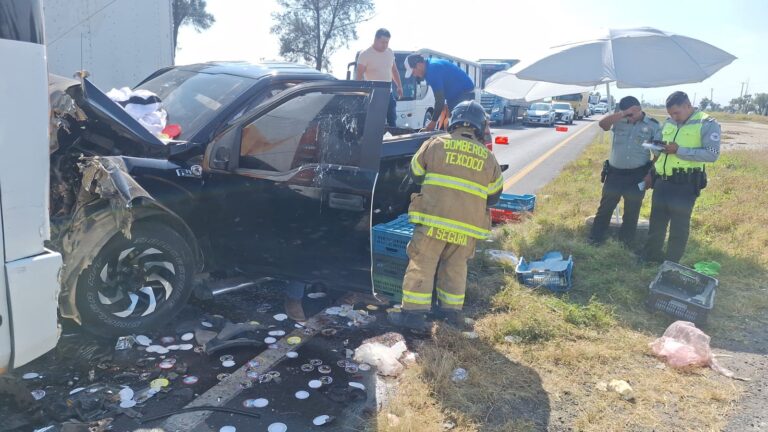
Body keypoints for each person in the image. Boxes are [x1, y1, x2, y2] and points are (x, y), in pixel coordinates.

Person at [389, 101, 503, 331]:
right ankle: (450, 316)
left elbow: (416, 173)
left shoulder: (435, 144)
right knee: (455, 268)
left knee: (422, 264)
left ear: (454, 121)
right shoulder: (489, 158)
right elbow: (494, 196)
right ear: (480, 127)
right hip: (466, 228)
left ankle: (413, 317)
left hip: (433, 220)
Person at [643, 91, 721, 263]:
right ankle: (651, 257)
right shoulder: (669, 122)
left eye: (676, 113)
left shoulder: (707, 123)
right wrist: (655, 149)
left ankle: (671, 263)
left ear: (688, 105)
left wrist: (679, 150)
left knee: (678, 227)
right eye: (670, 114)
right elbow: (662, 149)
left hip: (685, 185)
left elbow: (712, 154)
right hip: (662, 181)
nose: (674, 117)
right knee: (656, 223)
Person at [588, 96, 660, 246]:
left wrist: (650, 174)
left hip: (638, 175)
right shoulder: (618, 120)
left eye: (632, 114)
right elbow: (603, 125)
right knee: (605, 208)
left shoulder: (653, 125)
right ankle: (595, 240)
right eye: (627, 115)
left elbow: (658, 154)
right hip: (615, 174)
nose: (629, 118)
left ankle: (625, 244)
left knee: (632, 211)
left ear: (639, 109)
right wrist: (623, 114)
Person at [403, 54, 475, 131]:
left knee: (458, 127)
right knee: (450, 125)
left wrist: (433, 123)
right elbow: (441, 98)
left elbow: (440, 100)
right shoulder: (430, 66)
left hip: (463, 94)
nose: (414, 75)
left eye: (413, 72)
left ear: (419, 65)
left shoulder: (432, 70)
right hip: (456, 95)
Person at [355, 28, 403, 128]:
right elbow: (359, 76)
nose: (385, 45)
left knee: (392, 121)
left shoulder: (390, 52)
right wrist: (359, 94)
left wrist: (399, 86)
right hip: (373, 95)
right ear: (375, 39)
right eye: (383, 42)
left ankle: (392, 137)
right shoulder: (365, 54)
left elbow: (394, 70)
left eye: (387, 42)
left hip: (388, 93)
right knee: (373, 123)